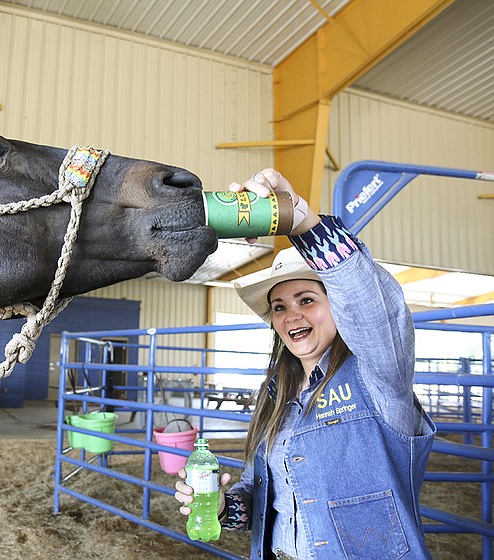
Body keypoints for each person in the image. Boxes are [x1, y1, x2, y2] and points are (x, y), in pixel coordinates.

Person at [175, 169, 436, 560]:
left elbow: (373, 311)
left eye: (307, 299)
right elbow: (262, 494)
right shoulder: (275, 394)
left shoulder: (378, 375)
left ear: (338, 305)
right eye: (279, 307)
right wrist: (223, 507)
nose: (291, 315)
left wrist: (302, 220)